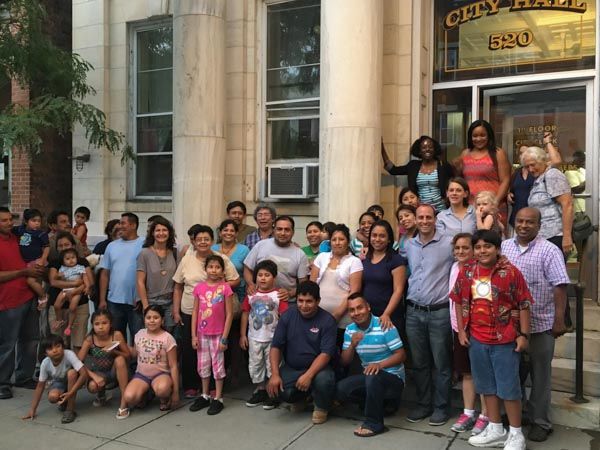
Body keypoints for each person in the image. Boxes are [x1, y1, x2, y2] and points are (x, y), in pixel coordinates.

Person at [452, 230, 532, 450]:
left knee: (509, 387)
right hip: (477, 339)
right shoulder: (467, 272)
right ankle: (496, 428)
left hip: (505, 340)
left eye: (487, 246)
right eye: (478, 247)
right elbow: (458, 300)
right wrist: (461, 330)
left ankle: (516, 435)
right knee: (486, 386)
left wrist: (524, 334)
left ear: (497, 249)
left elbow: (524, 304)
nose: (482, 251)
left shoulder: (511, 273)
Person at [502, 207, 570, 442]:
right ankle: (516, 418)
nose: (523, 225)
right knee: (513, 373)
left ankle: (540, 421)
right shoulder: (505, 247)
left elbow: (560, 285)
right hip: (510, 325)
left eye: (529, 222)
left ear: (539, 225)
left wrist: (559, 320)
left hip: (541, 324)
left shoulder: (549, 250)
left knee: (540, 376)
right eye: (520, 221)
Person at [172, 225, 240, 399]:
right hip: (190, 311)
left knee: (215, 352)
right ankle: (191, 385)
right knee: (190, 349)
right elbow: (178, 286)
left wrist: (219, 286)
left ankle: (213, 388)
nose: (202, 242)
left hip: (216, 314)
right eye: (199, 239)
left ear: (212, 241)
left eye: (206, 239)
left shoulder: (220, 259)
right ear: (193, 241)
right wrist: (176, 310)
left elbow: (235, 280)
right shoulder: (187, 260)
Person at [404, 204, 454, 425]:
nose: (424, 221)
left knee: (441, 363)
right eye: (420, 217)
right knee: (419, 362)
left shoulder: (448, 243)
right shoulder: (409, 244)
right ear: (415, 220)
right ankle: (424, 404)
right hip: (414, 311)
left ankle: (441, 407)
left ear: (435, 219)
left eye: (428, 217)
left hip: (439, 312)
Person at [337, 293, 406, 437]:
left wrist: (379, 365)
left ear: (368, 307)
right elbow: (344, 361)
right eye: (352, 310)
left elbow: (401, 355)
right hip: (371, 377)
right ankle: (376, 404)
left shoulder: (384, 324)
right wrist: (352, 345)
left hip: (393, 379)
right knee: (341, 389)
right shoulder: (350, 330)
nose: (356, 313)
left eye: (360, 308)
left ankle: (374, 423)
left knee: (373, 376)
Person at [267, 281, 337, 425]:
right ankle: (302, 398)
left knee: (325, 380)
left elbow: (326, 354)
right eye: (300, 301)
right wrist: (274, 374)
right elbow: (276, 346)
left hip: (318, 370)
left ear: (318, 301)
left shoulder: (327, 321)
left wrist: (309, 375)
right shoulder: (287, 316)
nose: (304, 305)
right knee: (279, 389)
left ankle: (322, 406)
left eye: (309, 301)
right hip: (293, 368)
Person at [0, 206, 45, 398]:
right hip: (7, 301)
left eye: (10, 219)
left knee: (30, 340)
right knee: (7, 344)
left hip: (28, 295)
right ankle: (2, 383)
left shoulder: (18, 237)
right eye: (4, 220)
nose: (9, 223)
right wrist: (23, 272)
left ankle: (24, 376)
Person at [448, 233, 489, 435]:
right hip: (458, 329)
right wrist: (459, 328)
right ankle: (468, 412)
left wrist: (468, 328)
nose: (461, 252)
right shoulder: (454, 268)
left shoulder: (479, 270)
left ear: (473, 250)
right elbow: (454, 301)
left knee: (482, 373)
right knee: (467, 372)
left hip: (478, 330)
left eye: (465, 248)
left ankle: (485, 415)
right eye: (457, 248)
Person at [189, 255, 234, 415]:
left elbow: (229, 314)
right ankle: (205, 394)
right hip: (202, 334)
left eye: (217, 267)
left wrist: (224, 337)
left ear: (222, 270)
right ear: (205, 268)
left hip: (218, 334)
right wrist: (193, 335)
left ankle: (218, 398)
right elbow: (195, 311)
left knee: (218, 366)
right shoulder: (199, 288)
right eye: (211, 267)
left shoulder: (225, 288)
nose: (213, 270)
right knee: (203, 365)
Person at [240, 260, 288, 409]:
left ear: (274, 277)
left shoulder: (279, 295)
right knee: (255, 365)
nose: (263, 278)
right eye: (260, 275)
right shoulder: (251, 295)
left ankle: (272, 393)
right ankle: (260, 390)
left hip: (273, 339)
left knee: (272, 365)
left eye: (267, 275)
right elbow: (245, 313)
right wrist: (242, 335)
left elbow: (284, 317)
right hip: (254, 337)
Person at [122, 305, 179, 417]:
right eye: (148, 318)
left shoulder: (167, 338)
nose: (152, 320)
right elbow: (134, 354)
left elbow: (173, 366)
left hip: (160, 374)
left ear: (162, 320)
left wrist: (176, 393)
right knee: (129, 397)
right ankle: (146, 394)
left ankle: (164, 398)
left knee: (162, 390)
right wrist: (121, 347)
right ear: (144, 320)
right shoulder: (139, 334)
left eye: (156, 317)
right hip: (142, 375)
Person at [310, 224, 363, 345]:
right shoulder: (321, 257)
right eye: (334, 239)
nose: (337, 243)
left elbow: (354, 292)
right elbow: (311, 286)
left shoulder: (354, 261)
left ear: (348, 241)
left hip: (343, 318)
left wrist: (336, 315)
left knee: (341, 352)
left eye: (341, 239)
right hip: (318, 316)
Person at [98, 212, 145, 338]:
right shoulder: (111, 246)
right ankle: (119, 358)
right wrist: (102, 299)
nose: (119, 226)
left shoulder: (145, 244)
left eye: (123, 223)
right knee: (116, 338)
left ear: (133, 225)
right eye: (119, 223)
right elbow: (105, 274)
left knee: (138, 336)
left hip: (137, 302)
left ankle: (136, 359)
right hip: (114, 301)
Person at [23, 335, 88, 424]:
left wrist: (71, 392)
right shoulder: (45, 363)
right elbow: (40, 386)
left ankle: (70, 410)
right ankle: (64, 402)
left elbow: (84, 374)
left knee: (71, 373)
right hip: (59, 382)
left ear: (63, 347)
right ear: (45, 353)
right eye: (50, 348)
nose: (55, 350)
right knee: (52, 397)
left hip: (74, 380)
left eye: (58, 346)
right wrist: (32, 409)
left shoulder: (69, 354)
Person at [522, 146, 574, 257]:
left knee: (555, 273)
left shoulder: (552, 174)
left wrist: (567, 236)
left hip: (555, 236)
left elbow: (567, 204)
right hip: (542, 237)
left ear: (543, 161)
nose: (530, 169)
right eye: (527, 167)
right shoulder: (540, 178)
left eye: (533, 165)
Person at [244, 215, 309, 303]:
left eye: (287, 229)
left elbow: (303, 284)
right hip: (259, 300)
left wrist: (290, 293)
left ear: (293, 232)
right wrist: (251, 284)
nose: (283, 233)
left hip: (286, 302)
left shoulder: (300, 254)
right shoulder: (261, 245)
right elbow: (247, 268)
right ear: (273, 231)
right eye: (279, 229)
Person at [457, 119, 511, 226]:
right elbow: (460, 180)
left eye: (482, 135)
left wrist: (494, 203)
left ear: (489, 136)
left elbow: (505, 180)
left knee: (492, 239)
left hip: (494, 206)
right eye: (475, 136)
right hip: (471, 206)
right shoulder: (465, 154)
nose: (478, 139)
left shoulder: (498, 153)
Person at [47, 232, 94, 352]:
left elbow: (90, 281)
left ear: (73, 246)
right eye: (60, 246)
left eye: (66, 245)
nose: (63, 248)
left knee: (78, 343)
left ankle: (77, 370)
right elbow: (53, 282)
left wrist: (77, 290)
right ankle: (61, 370)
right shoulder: (55, 262)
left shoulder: (82, 262)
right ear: (56, 248)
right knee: (58, 343)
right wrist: (75, 284)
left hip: (79, 306)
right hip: (58, 305)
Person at [77, 309, 129, 415]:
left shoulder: (116, 335)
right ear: (92, 325)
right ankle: (101, 394)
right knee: (92, 386)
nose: (101, 327)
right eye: (97, 324)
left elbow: (128, 355)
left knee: (119, 359)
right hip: (99, 372)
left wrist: (114, 351)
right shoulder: (90, 339)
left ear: (110, 324)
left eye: (104, 323)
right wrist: (93, 375)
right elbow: (77, 362)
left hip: (115, 370)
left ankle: (124, 401)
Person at [382, 136, 454, 212]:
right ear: (419, 151)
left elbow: (454, 181)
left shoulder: (443, 165)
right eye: (424, 147)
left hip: (441, 210)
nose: (427, 149)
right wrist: (382, 150)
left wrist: (448, 197)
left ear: (434, 150)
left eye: (430, 147)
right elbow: (393, 170)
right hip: (421, 212)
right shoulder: (413, 166)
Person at [362, 220, 407, 337]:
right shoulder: (365, 258)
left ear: (389, 239)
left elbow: (398, 290)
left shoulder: (396, 260)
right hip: (367, 316)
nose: (377, 239)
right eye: (374, 235)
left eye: (382, 236)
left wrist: (386, 314)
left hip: (389, 316)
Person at [508, 133, 561, 229]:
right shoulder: (516, 172)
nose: (523, 155)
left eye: (527, 152)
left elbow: (556, 161)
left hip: (535, 220)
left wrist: (548, 142)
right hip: (518, 218)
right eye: (521, 153)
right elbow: (511, 188)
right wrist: (508, 193)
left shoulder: (538, 171)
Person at [136, 217, 178, 332]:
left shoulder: (174, 253)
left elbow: (178, 282)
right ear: (152, 233)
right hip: (151, 302)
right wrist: (146, 307)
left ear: (169, 233)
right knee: (151, 338)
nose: (161, 233)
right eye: (158, 230)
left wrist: (175, 306)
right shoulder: (144, 253)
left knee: (168, 337)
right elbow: (140, 281)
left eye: (164, 230)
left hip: (169, 303)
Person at [12, 208, 49, 306]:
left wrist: (43, 259)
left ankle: (43, 296)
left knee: (30, 281)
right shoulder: (20, 230)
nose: (37, 223)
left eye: (39, 221)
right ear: (25, 221)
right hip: (24, 262)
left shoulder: (41, 234)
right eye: (34, 221)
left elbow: (46, 247)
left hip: (36, 261)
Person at [53, 248, 90, 337]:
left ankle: (69, 326)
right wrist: (58, 276)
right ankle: (59, 319)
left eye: (73, 257)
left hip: (77, 291)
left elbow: (85, 277)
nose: (71, 260)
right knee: (57, 305)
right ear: (63, 261)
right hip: (65, 290)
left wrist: (87, 286)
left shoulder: (80, 267)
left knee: (72, 308)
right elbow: (56, 278)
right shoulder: (62, 268)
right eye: (68, 259)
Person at [212, 218, 250, 303]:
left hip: (238, 293)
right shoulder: (213, 249)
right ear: (220, 233)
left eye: (232, 231)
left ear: (236, 233)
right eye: (225, 230)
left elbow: (248, 272)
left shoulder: (244, 250)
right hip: (216, 292)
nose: (228, 233)